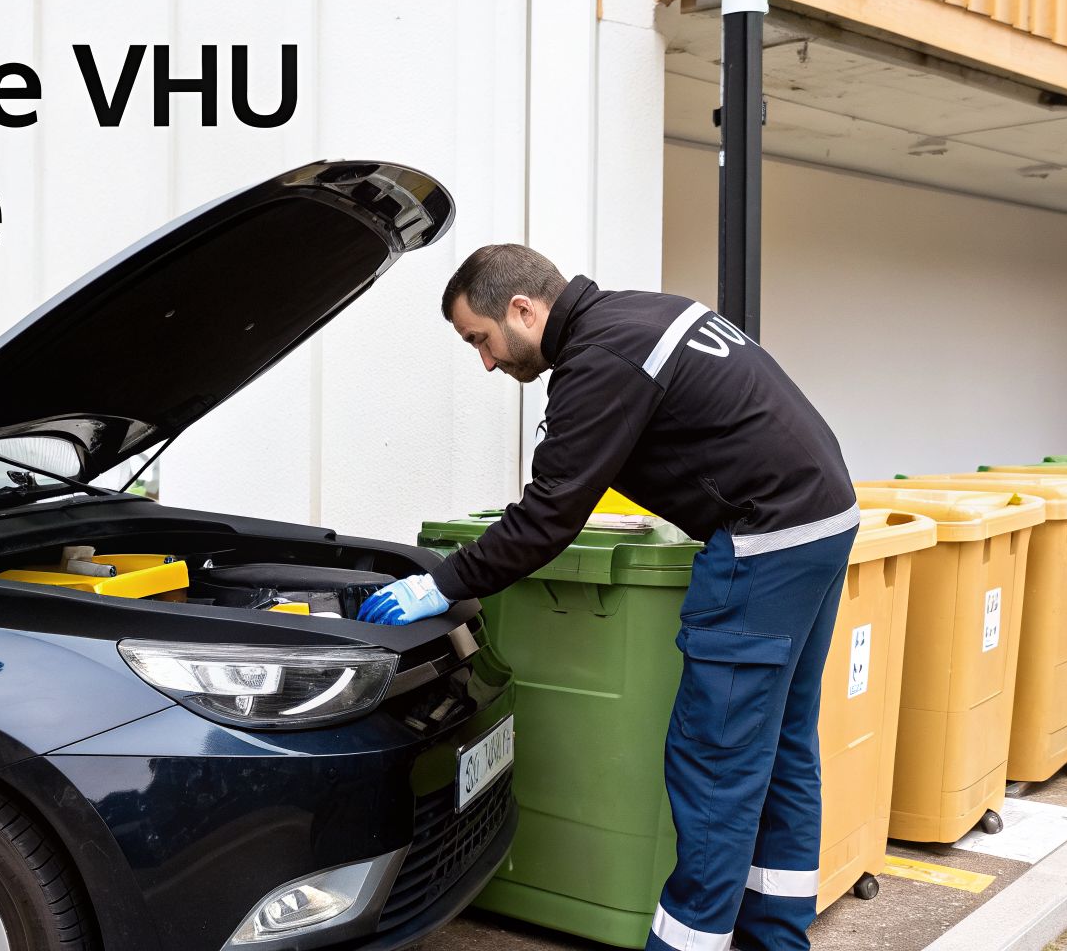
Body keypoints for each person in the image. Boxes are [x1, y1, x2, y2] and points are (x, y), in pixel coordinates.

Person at [358, 243, 858, 951]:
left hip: (765, 543)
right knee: (778, 750)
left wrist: (440, 584)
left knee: (715, 762)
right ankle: (775, 941)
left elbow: (547, 519)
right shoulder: (640, 316)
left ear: (523, 311)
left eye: (482, 339)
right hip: (819, 523)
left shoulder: (601, 361)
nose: (488, 362)